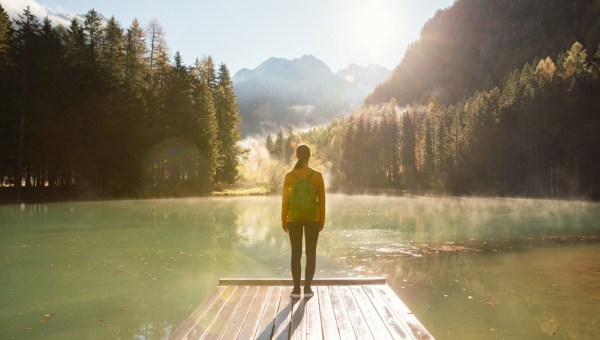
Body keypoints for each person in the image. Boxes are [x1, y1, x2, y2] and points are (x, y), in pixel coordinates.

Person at [281, 144, 325, 299]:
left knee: (296, 253)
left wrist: (283, 220)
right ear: (309, 157)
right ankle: (307, 289)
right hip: (313, 219)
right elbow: (322, 201)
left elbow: (285, 201)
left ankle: (295, 290)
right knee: (311, 253)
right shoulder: (317, 176)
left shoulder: (289, 176)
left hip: (293, 219)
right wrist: (322, 220)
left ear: (297, 156)